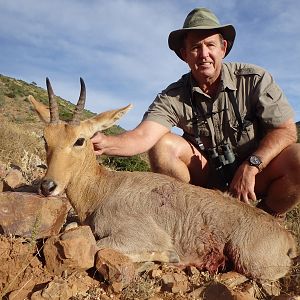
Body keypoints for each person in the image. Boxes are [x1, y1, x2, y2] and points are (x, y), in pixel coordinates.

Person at [92, 7, 300, 217]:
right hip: (207, 182)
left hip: (255, 175)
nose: (204, 55)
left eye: (210, 45)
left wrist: (251, 165)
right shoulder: (173, 96)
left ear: (223, 48)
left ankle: (266, 221)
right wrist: (104, 143)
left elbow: (286, 131)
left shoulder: (254, 79)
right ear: (184, 54)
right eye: (195, 47)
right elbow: (143, 136)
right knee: (162, 145)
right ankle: (189, 219)